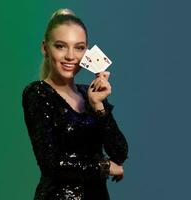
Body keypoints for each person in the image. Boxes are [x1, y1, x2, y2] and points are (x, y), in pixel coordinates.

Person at [22, 8, 128, 200]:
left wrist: (98, 106)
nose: (71, 56)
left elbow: (119, 153)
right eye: (61, 46)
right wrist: (104, 167)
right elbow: (51, 164)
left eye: (79, 47)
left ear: (86, 53)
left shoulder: (91, 93)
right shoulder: (37, 93)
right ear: (45, 48)